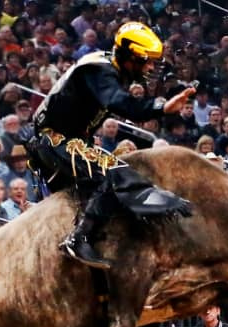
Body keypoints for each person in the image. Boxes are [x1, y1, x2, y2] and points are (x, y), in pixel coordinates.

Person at [27, 22, 195, 269]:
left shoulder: (108, 68)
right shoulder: (99, 70)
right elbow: (120, 104)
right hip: (53, 140)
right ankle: (79, 239)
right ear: (131, 57)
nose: (150, 68)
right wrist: (161, 108)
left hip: (70, 140)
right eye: (147, 61)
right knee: (113, 171)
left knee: (109, 179)